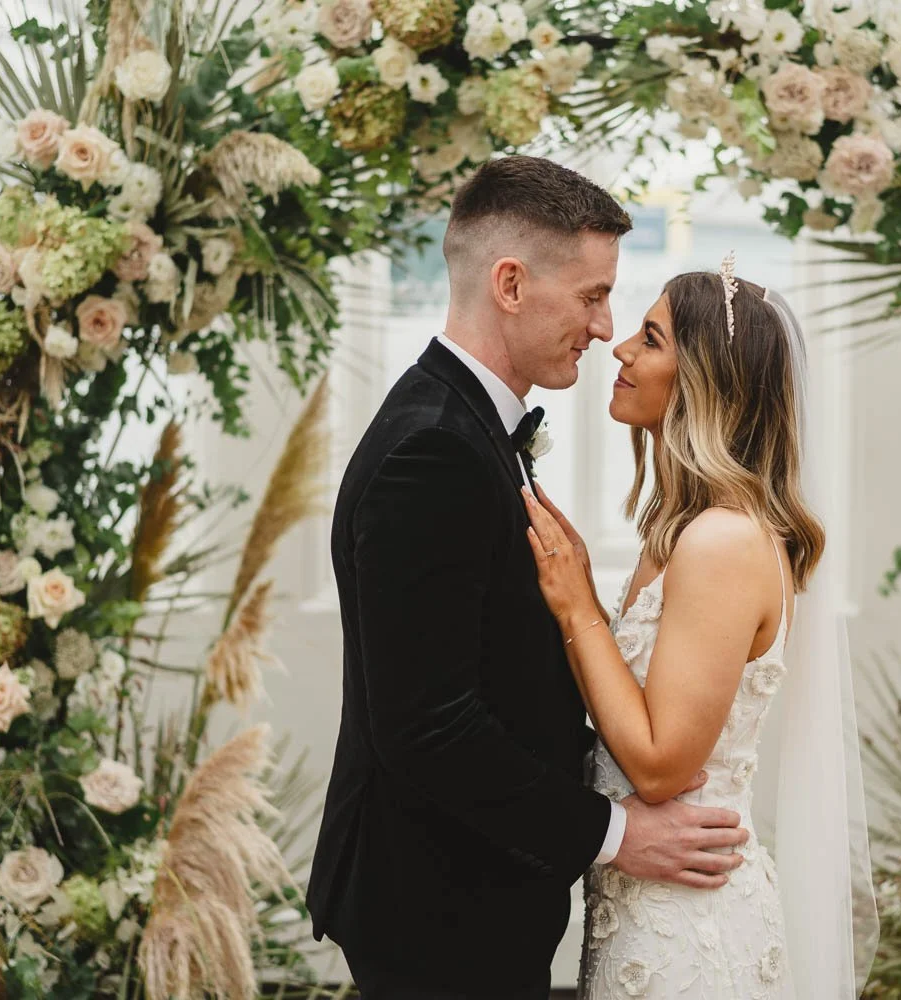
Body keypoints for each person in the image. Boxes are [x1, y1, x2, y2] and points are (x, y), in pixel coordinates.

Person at [306, 156, 751, 1000]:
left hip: (472, 891)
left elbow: (501, 677)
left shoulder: (467, 426)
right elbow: (427, 725)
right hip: (437, 908)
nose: (604, 327)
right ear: (510, 284)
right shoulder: (434, 449)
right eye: (592, 296)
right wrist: (615, 832)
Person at [522, 258, 875, 998]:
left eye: (650, 339)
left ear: (708, 383)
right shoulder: (685, 530)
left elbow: (660, 766)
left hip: (690, 933)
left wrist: (578, 607)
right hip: (647, 906)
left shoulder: (723, 542)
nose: (620, 349)